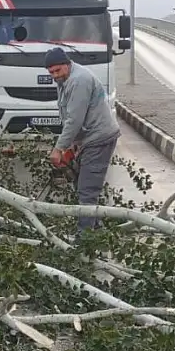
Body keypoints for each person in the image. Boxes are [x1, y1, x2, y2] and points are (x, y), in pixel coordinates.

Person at [44, 47, 121, 232]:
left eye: (57, 71)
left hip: (99, 139)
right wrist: (71, 146)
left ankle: (84, 243)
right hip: (89, 139)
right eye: (51, 72)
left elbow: (75, 120)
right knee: (82, 186)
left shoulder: (79, 80)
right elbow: (69, 115)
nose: (54, 75)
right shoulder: (66, 79)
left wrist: (58, 149)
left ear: (67, 64)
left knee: (87, 192)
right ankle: (97, 232)